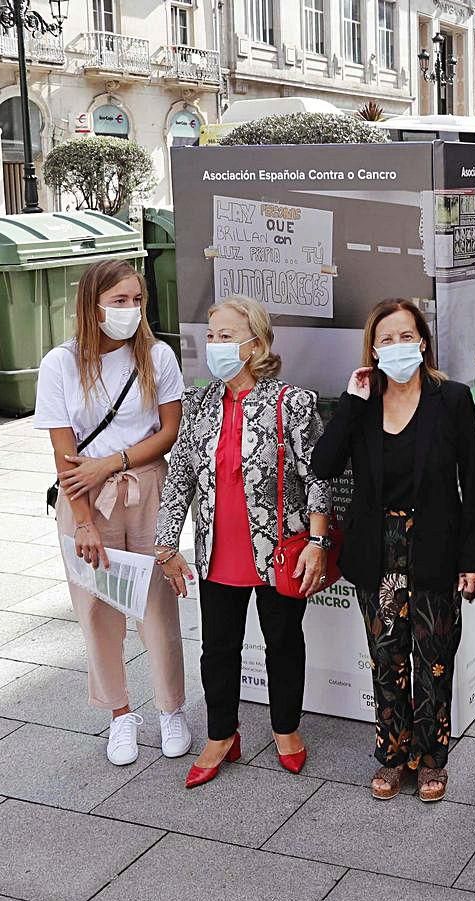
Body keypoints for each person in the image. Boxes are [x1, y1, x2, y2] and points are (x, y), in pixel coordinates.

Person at [310, 298, 475, 803]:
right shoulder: (363, 404)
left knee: (433, 659)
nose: (397, 347)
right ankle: (391, 753)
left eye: (405, 336)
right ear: (372, 350)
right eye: (385, 340)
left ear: (423, 341)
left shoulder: (450, 399)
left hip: (435, 544)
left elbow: (470, 484)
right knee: (387, 658)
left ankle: (431, 758)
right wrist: (350, 401)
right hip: (377, 550)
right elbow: (323, 464)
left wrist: (471, 561)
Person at [154, 295, 332, 788]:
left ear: (256, 344)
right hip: (217, 551)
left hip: (278, 551)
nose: (216, 345)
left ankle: (286, 729)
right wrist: (166, 546)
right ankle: (220, 734)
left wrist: (318, 541)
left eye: (227, 336)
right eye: (211, 336)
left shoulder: (293, 403)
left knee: (282, 642)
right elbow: (180, 480)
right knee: (218, 647)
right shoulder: (197, 403)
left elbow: (317, 477)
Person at [35, 259, 189, 766]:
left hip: (144, 487)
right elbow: (65, 454)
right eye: (118, 301)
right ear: (92, 304)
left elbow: (169, 432)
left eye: (136, 300)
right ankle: (120, 714)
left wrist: (114, 462)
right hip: (85, 498)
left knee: (156, 604)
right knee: (96, 608)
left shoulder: (156, 355)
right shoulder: (60, 364)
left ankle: (170, 708)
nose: (129, 310)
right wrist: (82, 521)